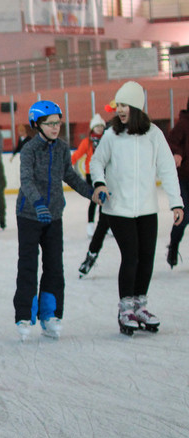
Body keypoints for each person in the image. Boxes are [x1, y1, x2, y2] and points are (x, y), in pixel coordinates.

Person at [90, 81, 184, 335]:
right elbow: (96, 163)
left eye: (125, 105)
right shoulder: (111, 134)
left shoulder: (153, 134)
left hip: (146, 207)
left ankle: (140, 305)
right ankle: (125, 309)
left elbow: (167, 168)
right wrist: (99, 183)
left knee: (146, 257)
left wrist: (176, 202)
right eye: (118, 105)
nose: (120, 110)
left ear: (137, 107)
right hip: (117, 208)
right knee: (130, 256)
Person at [14, 101, 94, 341]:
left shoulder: (61, 148)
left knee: (54, 267)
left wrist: (91, 193)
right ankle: (25, 315)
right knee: (28, 265)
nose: (55, 127)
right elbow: (26, 180)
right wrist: (38, 204)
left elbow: (69, 174)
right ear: (37, 125)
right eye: (50, 123)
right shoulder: (29, 150)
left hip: (54, 216)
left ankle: (51, 315)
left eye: (58, 122)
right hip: (29, 215)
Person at [74, 114, 112, 276]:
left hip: (106, 174)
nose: (100, 129)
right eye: (97, 127)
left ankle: (108, 225)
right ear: (92, 128)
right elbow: (76, 156)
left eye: (101, 127)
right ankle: (91, 224)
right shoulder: (88, 142)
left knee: (107, 202)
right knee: (94, 201)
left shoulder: (108, 139)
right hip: (92, 175)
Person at [166, 96, 189, 268]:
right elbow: (171, 142)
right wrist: (177, 153)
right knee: (185, 215)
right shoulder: (183, 124)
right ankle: (173, 245)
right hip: (183, 177)